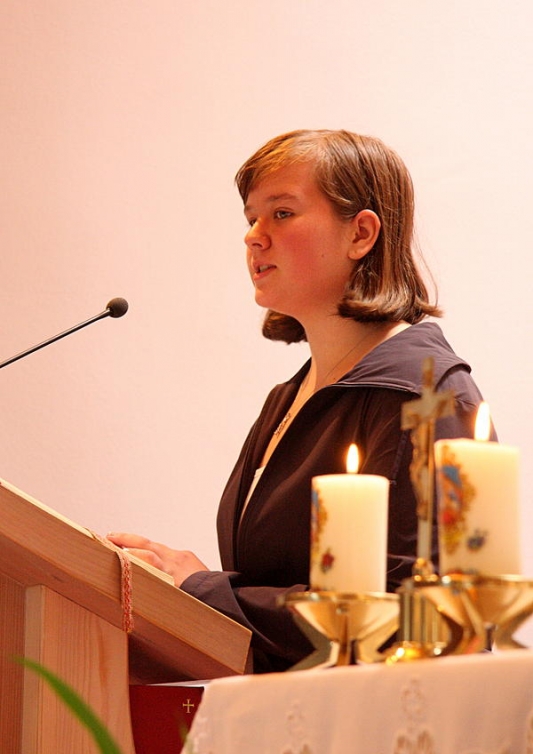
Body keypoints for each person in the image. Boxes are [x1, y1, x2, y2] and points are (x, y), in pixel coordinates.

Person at [108, 129, 487, 672]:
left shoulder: (428, 397)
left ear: (361, 233)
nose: (253, 237)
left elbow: (427, 623)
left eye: (281, 213)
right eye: (251, 218)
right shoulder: (288, 397)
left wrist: (204, 590)